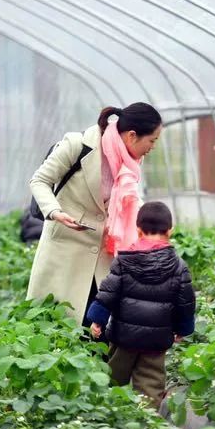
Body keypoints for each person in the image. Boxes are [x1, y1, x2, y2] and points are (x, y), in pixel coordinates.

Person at [26, 103, 162, 327]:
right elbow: (39, 180)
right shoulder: (78, 145)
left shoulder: (131, 161)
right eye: (152, 140)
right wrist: (55, 211)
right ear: (132, 135)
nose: (152, 147)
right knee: (60, 325)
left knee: (99, 329)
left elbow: (129, 200)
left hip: (104, 255)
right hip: (66, 251)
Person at [86, 201, 195, 409]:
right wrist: (183, 329)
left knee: (113, 376)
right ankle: (147, 420)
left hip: (123, 335)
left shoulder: (124, 261)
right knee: (151, 383)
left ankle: (109, 412)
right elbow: (186, 302)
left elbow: (108, 291)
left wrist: (97, 320)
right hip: (156, 340)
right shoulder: (179, 267)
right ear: (170, 231)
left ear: (137, 230)